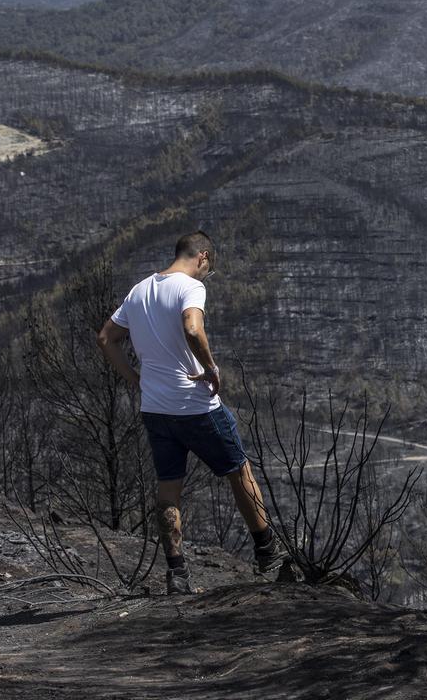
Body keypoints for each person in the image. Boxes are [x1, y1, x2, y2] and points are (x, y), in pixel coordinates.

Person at [96, 230, 284, 594]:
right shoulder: (190, 287)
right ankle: (268, 554)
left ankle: (177, 574)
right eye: (208, 268)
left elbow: (106, 338)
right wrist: (211, 368)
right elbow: (192, 328)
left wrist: (135, 379)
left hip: (155, 408)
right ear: (202, 256)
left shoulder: (139, 291)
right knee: (238, 469)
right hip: (195, 405)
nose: (206, 275)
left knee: (169, 489)